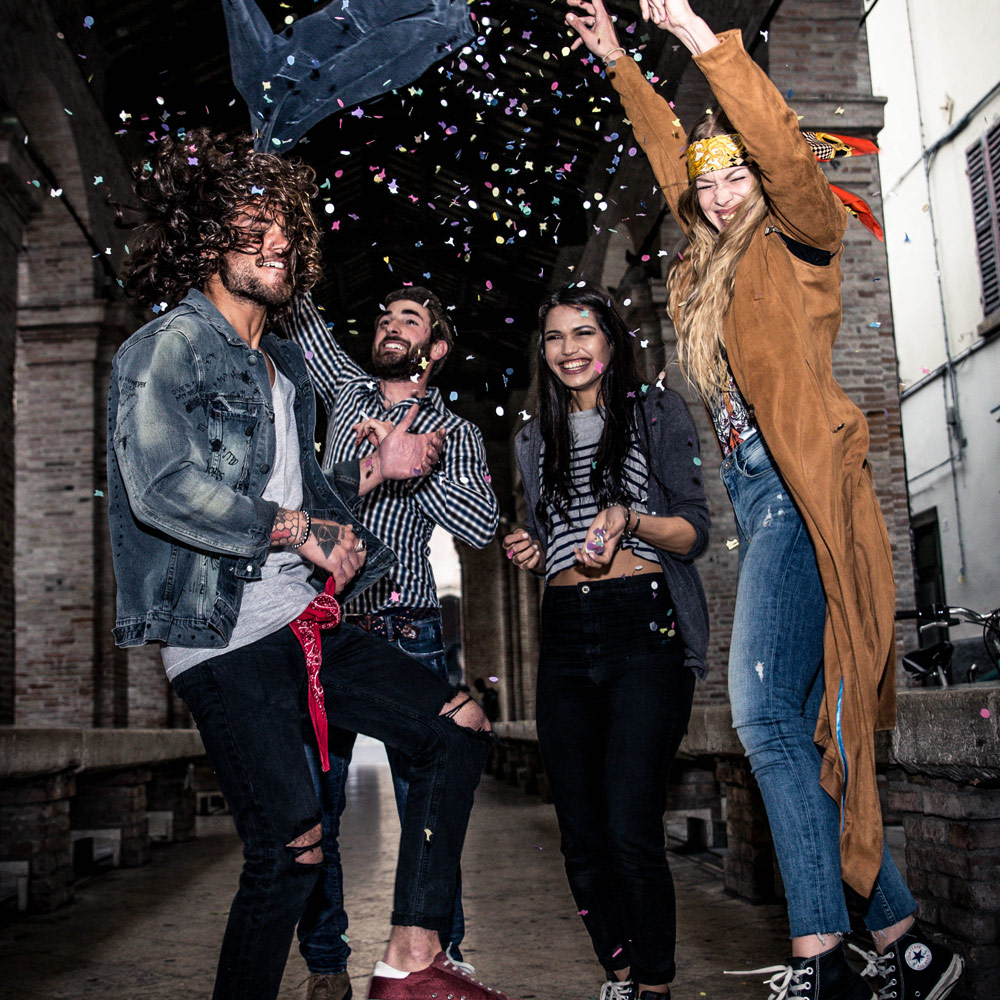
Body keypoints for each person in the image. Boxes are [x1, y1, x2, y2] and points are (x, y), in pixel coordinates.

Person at [565, 3, 965, 1000]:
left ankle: (820, 956)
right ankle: (910, 944)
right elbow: (673, 166)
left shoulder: (800, 239)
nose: (721, 187)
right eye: (710, 183)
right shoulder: (707, 268)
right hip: (764, 498)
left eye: (734, 170)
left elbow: (784, 157)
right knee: (797, 731)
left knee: (759, 715)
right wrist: (621, 62)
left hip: (804, 492)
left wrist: (703, 41)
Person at [107, 127, 517, 1000]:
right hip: (225, 638)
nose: (277, 242)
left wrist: (359, 491)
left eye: (287, 229)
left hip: (310, 622)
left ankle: (410, 957)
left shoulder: (283, 369)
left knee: (456, 727)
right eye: (252, 227)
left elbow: (305, 493)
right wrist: (301, 528)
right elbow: (162, 486)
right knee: (292, 851)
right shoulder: (168, 344)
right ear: (207, 238)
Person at [286, 288, 499, 998]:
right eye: (382, 315)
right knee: (317, 804)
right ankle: (324, 962)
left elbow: (479, 525)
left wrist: (417, 461)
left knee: (430, 802)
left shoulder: (459, 433)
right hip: (327, 625)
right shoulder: (344, 389)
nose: (388, 324)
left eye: (408, 319)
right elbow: (300, 312)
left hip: (408, 631)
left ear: (435, 349)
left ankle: (440, 956)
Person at [503, 281, 710, 1000]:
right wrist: (532, 547)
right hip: (564, 635)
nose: (569, 350)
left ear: (611, 341)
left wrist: (629, 518)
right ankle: (618, 973)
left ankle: (655, 983)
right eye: (555, 337)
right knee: (581, 832)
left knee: (629, 824)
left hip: (643, 623)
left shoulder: (657, 411)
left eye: (583, 333)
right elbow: (552, 534)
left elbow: (693, 529)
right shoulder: (533, 438)